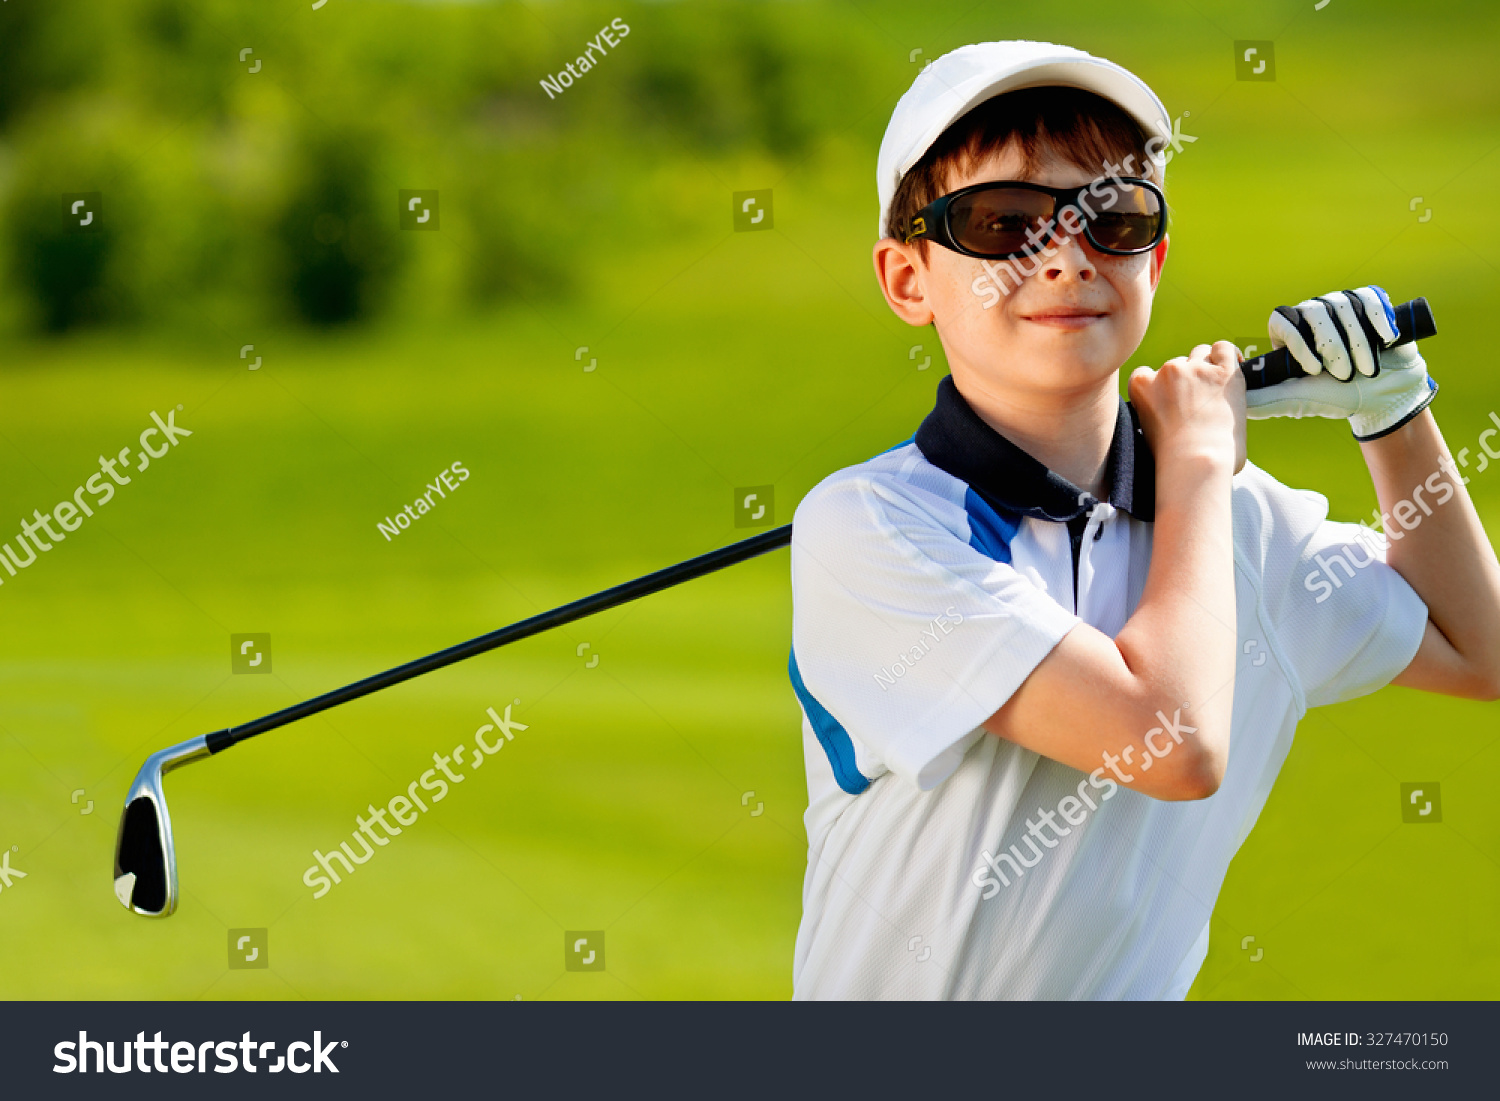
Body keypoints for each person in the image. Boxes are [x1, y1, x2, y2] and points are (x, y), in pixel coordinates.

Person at [787, 40, 1500, 999]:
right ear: (908, 278)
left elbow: (1479, 652)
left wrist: (1395, 418)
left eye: (1111, 218)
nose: (1064, 258)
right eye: (1003, 223)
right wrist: (1198, 464)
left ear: (1154, 259)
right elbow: (1168, 742)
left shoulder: (1242, 527)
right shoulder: (866, 529)